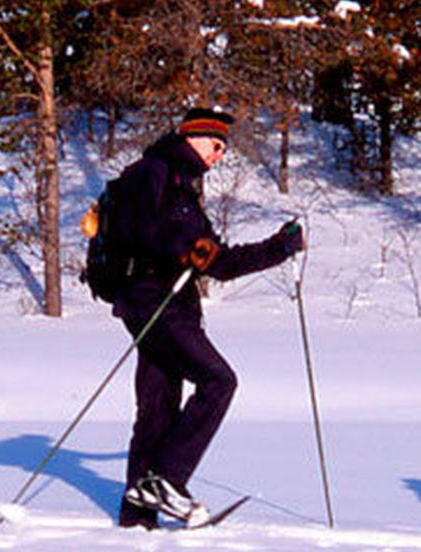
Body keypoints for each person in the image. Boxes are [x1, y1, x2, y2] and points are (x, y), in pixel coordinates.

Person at [111, 107, 304, 529]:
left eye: (223, 149)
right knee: (219, 381)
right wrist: (180, 247)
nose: (219, 155)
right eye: (216, 146)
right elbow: (141, 230)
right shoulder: (156, 174)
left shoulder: (182, 187)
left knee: (158, 407)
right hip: (154, 300)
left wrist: (278, 247)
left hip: (159, 301)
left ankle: (137, 514)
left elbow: (220, 262)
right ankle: (166, 481)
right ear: (192, 138)